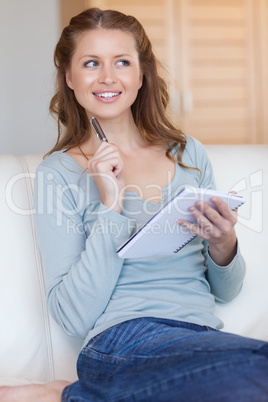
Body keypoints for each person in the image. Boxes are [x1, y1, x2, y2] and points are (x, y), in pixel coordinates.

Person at [1, 7, 268, 402]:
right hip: (122, 343)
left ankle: (77, 397)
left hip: (200, 337)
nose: (107, 77)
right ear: (70, 78)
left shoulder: (186, 153)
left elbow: (226, 291)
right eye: (91, 63)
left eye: (122, 62)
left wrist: (222, 242)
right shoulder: (59, 173)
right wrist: (110, 205)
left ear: (141, 75)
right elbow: (74, 316)